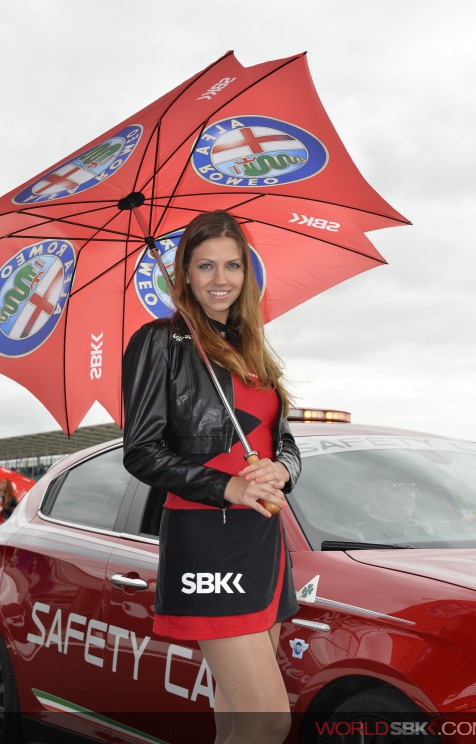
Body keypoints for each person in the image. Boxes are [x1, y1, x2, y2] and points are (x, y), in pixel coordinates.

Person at [122, 210, 301, 744]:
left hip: (263, 538)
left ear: (247, 274)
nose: (220, 279)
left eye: (232, 265)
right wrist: (232, 486)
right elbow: (142, 452)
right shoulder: (159, 342)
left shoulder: (252, 347)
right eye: (205, 266)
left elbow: (284, 440)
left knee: (236, 719)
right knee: (269, 722)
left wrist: (280, 470)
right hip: (206, 539)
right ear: (184, 274)